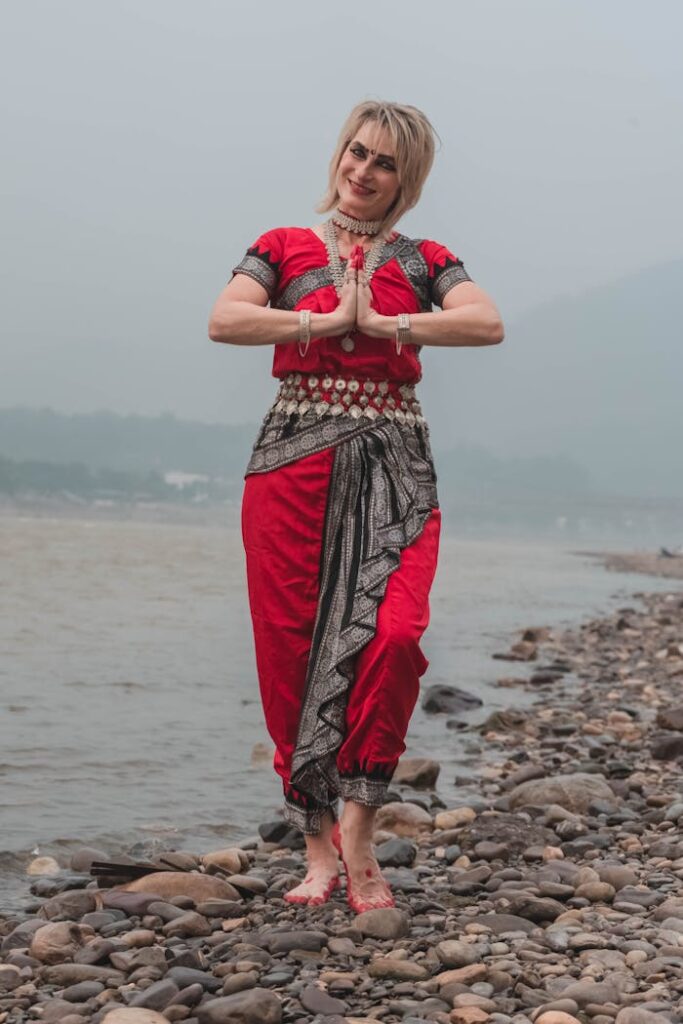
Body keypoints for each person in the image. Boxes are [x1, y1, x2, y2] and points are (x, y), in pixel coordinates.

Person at [208, 100, 504, 913]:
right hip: (291, 463)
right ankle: (318, 848)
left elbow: (486, 322)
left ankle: (362, 834)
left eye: (382, 164)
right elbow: (223, 318)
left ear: (404, 181)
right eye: (356, 153)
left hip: (394, 463)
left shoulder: (425, 256)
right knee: (289, 652)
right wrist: (321, 320)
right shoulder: (283, 247)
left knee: (397, 636)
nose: (362, 172)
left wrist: (386, 321)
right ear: (339, 153)